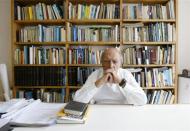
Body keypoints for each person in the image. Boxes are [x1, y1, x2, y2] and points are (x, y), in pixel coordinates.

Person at [73, 47, 147, 105]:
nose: (110, 65)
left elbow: (142, 100)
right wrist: (99, 82)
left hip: (123, 111)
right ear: (101, 63)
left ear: (120, 63)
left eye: (115, 62)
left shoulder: (126, 74)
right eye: (106, 61)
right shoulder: (95, 75)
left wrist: (121, 82)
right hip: (99, 112)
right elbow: (77, 100)